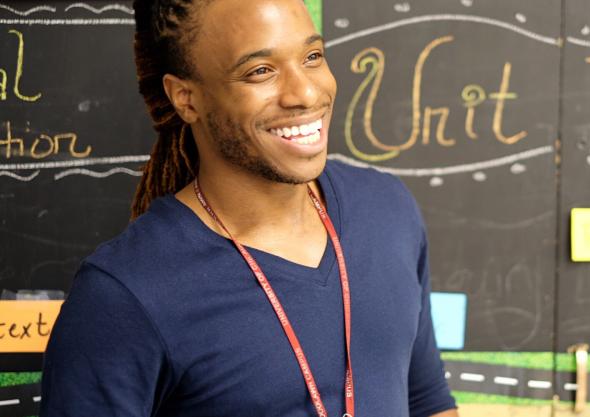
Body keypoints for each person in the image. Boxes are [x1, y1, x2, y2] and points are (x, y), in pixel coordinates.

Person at [39, 0, 459, 416]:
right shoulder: (122, 295)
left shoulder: (386, 209)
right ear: (185, 97)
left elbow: (426, 400)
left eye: (312, 56)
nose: (306, 92)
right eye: (260, 71)